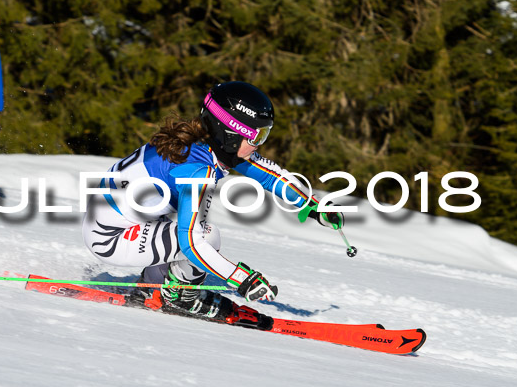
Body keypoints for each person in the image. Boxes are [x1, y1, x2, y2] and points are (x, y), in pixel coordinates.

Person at [82, 81, 344, 322]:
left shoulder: (204, 145)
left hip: (125, 223)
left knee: (197, 233)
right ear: (231, 133)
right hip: (111, 237)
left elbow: (270, 176)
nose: (259, 144)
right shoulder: (197, 169)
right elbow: (192, 244)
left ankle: (152, 286)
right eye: (257, 136)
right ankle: (175, 298)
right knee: (206, 236)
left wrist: (312, 206)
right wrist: (243, 279)